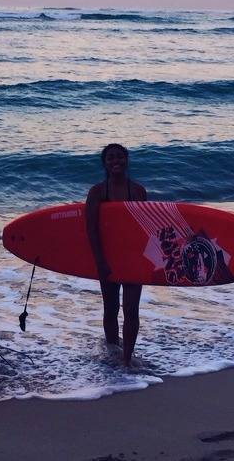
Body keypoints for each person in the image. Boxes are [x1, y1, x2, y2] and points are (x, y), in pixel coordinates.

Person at [85, 142, 147, 365]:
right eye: (110, 158)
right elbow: (91, 228)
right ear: (104, 163)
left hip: (133, 258)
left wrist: (144, 261)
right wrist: (100, 261)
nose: (116, 161)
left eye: (120, 157)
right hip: (108, 257)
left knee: (131, 309)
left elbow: (144, 228)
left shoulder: (138, 191)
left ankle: (127, 359)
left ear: (127, 160)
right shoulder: (98, 192)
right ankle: (113, 352)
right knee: (110, 308)